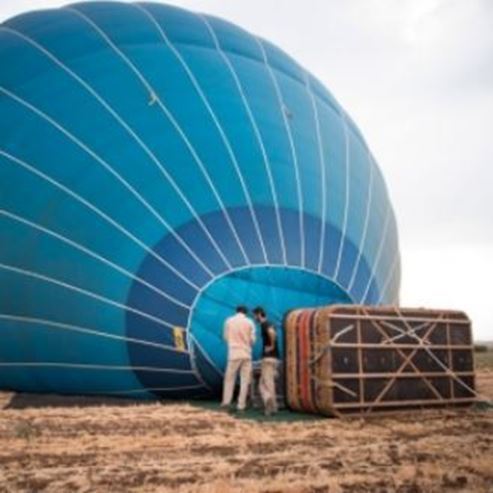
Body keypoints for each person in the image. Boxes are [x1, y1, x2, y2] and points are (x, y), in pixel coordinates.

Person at [221, 305, 256, 412]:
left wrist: (233, 342)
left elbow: (225, 337)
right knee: (245, 380)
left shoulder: (229, 321)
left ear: (236, 311)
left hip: (234, 353)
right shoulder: (250, 322)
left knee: (229, 378)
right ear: (245, 312)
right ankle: (241, 405)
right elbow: (253, 340)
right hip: (246, 353)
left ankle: (227, 402)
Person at [253, 306, 279, 415]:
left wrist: (271, 346)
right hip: (274, 358)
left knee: (263, 384)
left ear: (259, 314)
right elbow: (274, 333)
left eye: (255, 315)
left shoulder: (265, 324)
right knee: (269, 383)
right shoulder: (271, 323)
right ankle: (273, 407)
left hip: (268, 357)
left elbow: (272, 333)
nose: (254, 318)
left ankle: (269, 401)